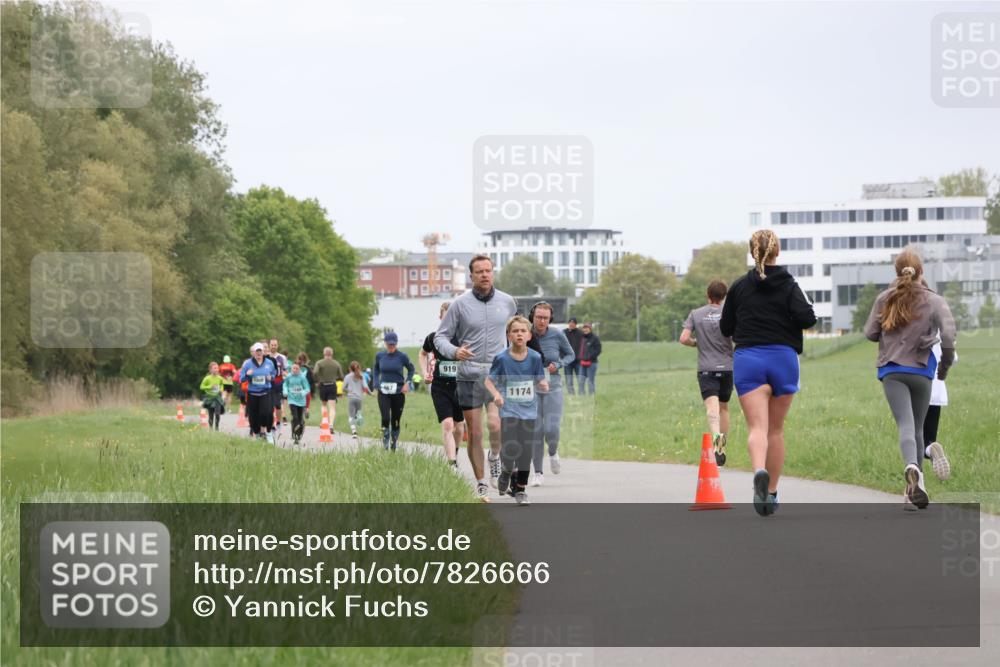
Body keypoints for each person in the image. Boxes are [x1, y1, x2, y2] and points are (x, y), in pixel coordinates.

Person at [720, 229, 817, 516]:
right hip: (783, 359)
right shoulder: (789, 284)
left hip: (749, 359)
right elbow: (807, 319)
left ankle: (759, 470)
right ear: (778, 252)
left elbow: (726, 328)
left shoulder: (738, 287)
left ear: (753, 253)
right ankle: (771, 493)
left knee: (757, 428)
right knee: (776, 430)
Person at [864, 250, 956, 510]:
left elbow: (870, 332)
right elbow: (949, 337)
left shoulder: (885, 298)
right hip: (922, 369)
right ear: (921, 272)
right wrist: (944, 368)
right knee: (918, 427)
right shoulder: (935, 300)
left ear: (897, 272)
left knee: (905, 425)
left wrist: (891, 328)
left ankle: (911, 468)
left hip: (892, 370)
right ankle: (916, 491)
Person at [435, 254, 518, 499]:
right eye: (479, 271)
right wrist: (454, 351)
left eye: (488, 270)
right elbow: (441, 337)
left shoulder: (507, 302)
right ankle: (481, 481)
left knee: (495, 425)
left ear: (493, 273)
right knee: (476, 431)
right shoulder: (460, 304)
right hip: (469, 374)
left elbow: (516, 330)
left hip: (496, 373)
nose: (484, 274)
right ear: (471, 276)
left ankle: (495, 457)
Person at [485, 315, 549, 505]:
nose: (519, 334)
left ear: (529, 335)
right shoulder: (502, 359)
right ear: (509, 336)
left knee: (526, 451)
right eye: (515, 331)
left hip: (529, 411)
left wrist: (543, 383)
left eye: (523, 331)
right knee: (511, 447)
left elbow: (539, 378)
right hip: (509, 410)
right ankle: (506, 470)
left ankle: (520, 489)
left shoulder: (535, 358)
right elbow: (489, 380)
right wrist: (496, 394)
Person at [680, 280, 735, 466]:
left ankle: (716, 444)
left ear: (707, 294)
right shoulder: (729, 314)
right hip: (727, 367)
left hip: (706, 369)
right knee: (724, 407)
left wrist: (697, 343)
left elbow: (684, 338)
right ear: (724, 296)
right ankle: (722, 446)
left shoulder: (696, 314)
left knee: (712, 409)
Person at [528, 301, 575, 486]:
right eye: (538, 317)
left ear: (550, 319)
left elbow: (570, 355)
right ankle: (538, 472)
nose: (541, 321)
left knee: (551, 429)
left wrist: (559, 364)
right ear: (533, 316)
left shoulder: (557, 334)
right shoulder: (526, 333)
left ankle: (553, 452)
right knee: (536, 431)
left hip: (553, 386)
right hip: (531, 388)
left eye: (545, 318)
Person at [420, 301, 467, 470]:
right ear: (440, 318)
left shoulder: (462, 338)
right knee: (447, 424)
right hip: (440, 386)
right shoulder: (433, 338)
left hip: (460, 387)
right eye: (445, 317)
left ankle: (454, 451)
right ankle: (451, 463)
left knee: (459, 427)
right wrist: (425, 372)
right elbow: (422, 353)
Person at [373, 332, 414, 451]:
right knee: (385, 418)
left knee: (395, 420)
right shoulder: (380, 356)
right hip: (383, 392)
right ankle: (385, 442)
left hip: (398, 392)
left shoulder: (402, 356)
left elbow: (411, 369)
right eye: (389, 344)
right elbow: (376, 369)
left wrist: (408, 383)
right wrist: (376, 382)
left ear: (396, 344)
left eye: (393, 344)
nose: (391, 346)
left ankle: (393, 443)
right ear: (385, 343)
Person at [923, 341, 956, 480]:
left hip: (912, 386)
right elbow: (952, 357)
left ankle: (916, 481)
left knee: (911, 436)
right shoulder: (943, 324)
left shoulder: (909, 320)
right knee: (928, 437)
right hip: (935, 389)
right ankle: (931, 448)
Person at [240, 342, 278, 444]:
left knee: (266, 414)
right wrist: (247, 375)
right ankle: (257, 435)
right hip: (252, 394)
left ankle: (269, 433)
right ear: (254, 353)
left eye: (260, 351)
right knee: (253, 417)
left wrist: (271, 377)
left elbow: (274, 373)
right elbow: (241, 379)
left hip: (265, 392)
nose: (258, 353)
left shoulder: (269, 363)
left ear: (263, 352)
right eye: (257, 351)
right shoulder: (248, 363)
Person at [313, 347, 345, 433]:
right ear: (332, 354)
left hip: (323, 385)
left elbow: (315, 372)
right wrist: (336, 378)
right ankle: (331, 425)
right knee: (332, 407)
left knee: (323, 405)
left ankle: (324, 421)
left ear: (324, 353)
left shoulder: (319, 363)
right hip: (332, 386)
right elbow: (341, 376)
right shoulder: (336, 364)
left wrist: (317, 380)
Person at [282, 363, 311, 446]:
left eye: (297, 369)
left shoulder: (302, 378)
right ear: (291, 369)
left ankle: (299, 433)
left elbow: (307, 388)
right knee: (295, 417)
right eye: (293, 368)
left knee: (300, 419)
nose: (295, 370)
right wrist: (285, 391)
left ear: (299, 370)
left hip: (301, 401)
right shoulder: (289, 377)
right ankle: (295, 435)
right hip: (292, 400)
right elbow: (285, 385)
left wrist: (303, 392)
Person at [344, 361, 370, 439]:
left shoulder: (347, 376)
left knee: (351, 416)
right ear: (359, 367)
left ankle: (354, 431)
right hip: (359, 398)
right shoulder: (361, 376)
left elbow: (343, 388)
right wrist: (371, 393)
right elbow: (366, 387)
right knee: (358, 414)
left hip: (351, 398)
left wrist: (349, 390)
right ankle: (359, 418)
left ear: (350, 368)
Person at [576, 323, 602, 395]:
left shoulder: (595, 338)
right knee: (581, 380)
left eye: (587, 328)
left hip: (592, 363)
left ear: (590, 329)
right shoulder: (582, 338)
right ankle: (581, 396)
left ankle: (591, 396)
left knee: (590, 381)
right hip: (582, 363)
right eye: (584, 328)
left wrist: (590, 357)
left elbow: (598, 350)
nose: (585, 329)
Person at [199, 362, 226, 430]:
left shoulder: (220, 378)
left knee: (217, 414)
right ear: (210, 370)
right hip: (209, 398)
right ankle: (211, 429)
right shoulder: (207, 378)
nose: (216, 369)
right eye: (214, 368)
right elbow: (201, 387)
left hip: (217, 398)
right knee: (211, 415)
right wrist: (209, 387)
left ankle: (217, 428)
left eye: (217, 368)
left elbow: (222, 385)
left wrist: (221, 389)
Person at [268, 339, 287, 432]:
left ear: (277, 346)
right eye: (272, 345)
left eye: (275, 345)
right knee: (269, 404)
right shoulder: (266, 357)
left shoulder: (282, 357)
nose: (273, 346)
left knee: (277, 404)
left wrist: (285, 376)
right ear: (269, 345)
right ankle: (271, 424)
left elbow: (285, 370)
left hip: (278, 383)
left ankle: (278, 422)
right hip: (268, 383)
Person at [563, 317, 583, 395]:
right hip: (567, 361)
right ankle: (571, 394)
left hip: (578, 360)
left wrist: (581, 356)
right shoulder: (563, 333)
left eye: (573, 323)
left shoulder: (580, 333)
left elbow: (583, 346)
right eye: (570, 322)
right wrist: (562, 356)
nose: (571, 324)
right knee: (569, 379)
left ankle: (581, 393)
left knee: (580, 378)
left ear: (575, 324)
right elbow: (560, 345)